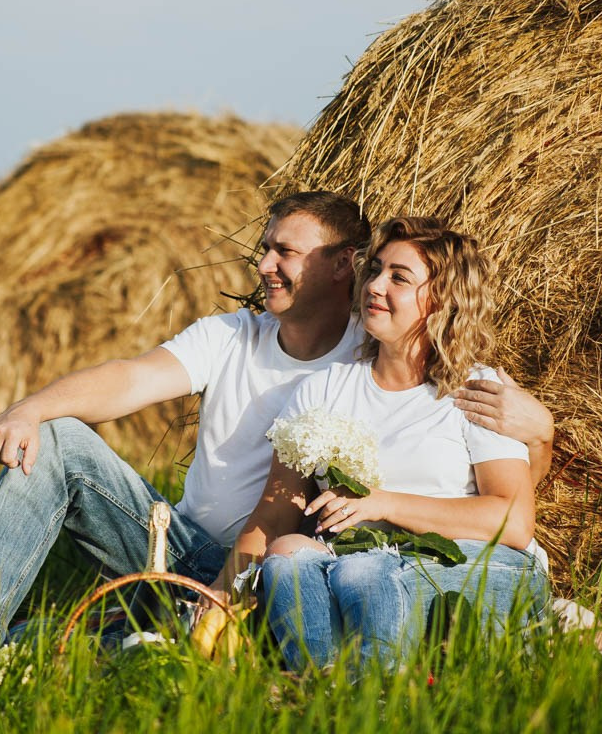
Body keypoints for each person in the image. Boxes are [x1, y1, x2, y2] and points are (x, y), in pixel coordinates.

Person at [0, 193, 554, 651]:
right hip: (190, 546)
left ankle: (47, 643)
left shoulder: (411, 360)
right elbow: (132, 378)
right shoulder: (244, 343)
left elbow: (510, 506)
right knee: (59, 438)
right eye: (263, 249)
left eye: (285, 251)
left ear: (343, 265)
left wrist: (544, 428)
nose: (264, 266)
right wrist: (33, 406)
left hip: (289, 564)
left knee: (119, 637)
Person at [209, 217, 549, 673]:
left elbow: (512, 523)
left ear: (442, 301)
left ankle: (371, 690)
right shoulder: (323, 389)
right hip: (355, 562)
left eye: (399, 278)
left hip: (481, 565)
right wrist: (221, 594)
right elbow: (274, 512)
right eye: (375, 270)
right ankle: (322, 684)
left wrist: (382, 504)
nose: (375, 285)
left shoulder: (475, 391)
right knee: (288, 554)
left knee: (362, 570)